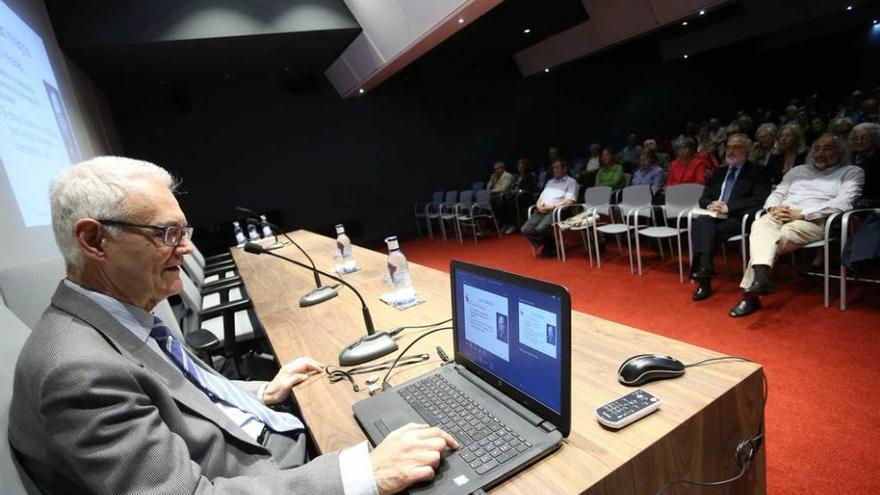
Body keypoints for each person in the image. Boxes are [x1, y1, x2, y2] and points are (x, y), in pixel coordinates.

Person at [9, 156, 458, 494]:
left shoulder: (114, 315)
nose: (185, 250)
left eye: (184, 232)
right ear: (94, 240)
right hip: (272, 473)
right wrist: (362, 473)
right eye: (167, 235)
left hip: (269, 442)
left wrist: (259, 393)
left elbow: (179, 391)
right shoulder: (76, 371)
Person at [729, 134, 864, 317]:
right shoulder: (798, 171)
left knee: (767, 240)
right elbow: (778, 192)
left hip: (813, 220)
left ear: (841, 152)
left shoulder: (852, 172)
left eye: (828, 148)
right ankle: (760, 280)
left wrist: (802, 213)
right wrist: (773, 208)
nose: (821, 153)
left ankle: (752, 295)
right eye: (817, 148)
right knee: (761, 224)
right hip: (781, 214)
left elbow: (844, 203)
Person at [689, 134, 772, 301]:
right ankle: (705, 270)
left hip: (739, 218)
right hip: (715, 215)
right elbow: (703, 198)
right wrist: (710, 204)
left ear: (747, 151)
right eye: (729, 147)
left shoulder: (758, 171)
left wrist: (729, 207)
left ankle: (704, 279)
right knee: (702, 221)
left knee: (704, 229)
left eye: (737, 147)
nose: (731, 151)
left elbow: (760, 199)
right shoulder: (719, 172)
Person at [521, 160, 578, 258]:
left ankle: (549, 246)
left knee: (540, 229)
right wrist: (538, 205)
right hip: (541, 210)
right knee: (525, 229)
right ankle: (550, 243)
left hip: (557, 211)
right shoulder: (550, 182)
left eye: (557, 167)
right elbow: (541, 197)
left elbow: (569, 201)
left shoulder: (571, 182)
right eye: (553, 168)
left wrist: (551, 207)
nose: (554, 170)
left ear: (564, 169)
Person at [501, 158, 538, 234]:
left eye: (521, 166)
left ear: (525, 167)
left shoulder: (529, 176)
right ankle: (508, 224)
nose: (520, 168)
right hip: (516, 195)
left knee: (511, 202)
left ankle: (514, 225)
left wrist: (521, 191)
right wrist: (513, 190)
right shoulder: (517, 177)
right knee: (504, 200)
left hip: (525, 196)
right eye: (519, 166)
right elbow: (515, 186)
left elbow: (533, 188)